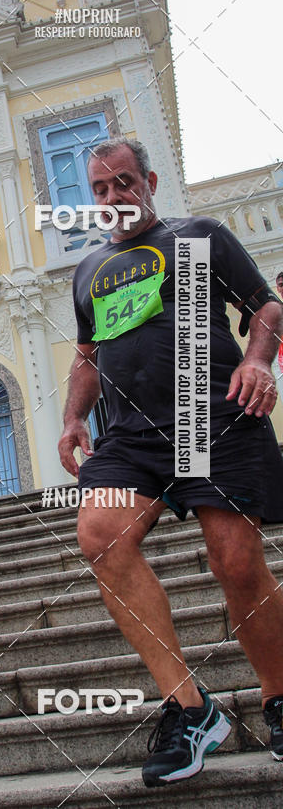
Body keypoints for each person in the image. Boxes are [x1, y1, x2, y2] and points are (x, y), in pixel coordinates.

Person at [58, 137, 283, 788]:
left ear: (149, 182)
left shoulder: (198, 235)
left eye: (124, 182)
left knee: (236, 563)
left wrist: (258, 360)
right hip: (129, 436)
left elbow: (266, 307)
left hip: (210, 416)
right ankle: (191, 709)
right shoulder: (90, 270)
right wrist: (73, 418)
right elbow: (87, 356)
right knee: (100, 535)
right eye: (101, 189)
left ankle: (278, 698)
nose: (114, 197)